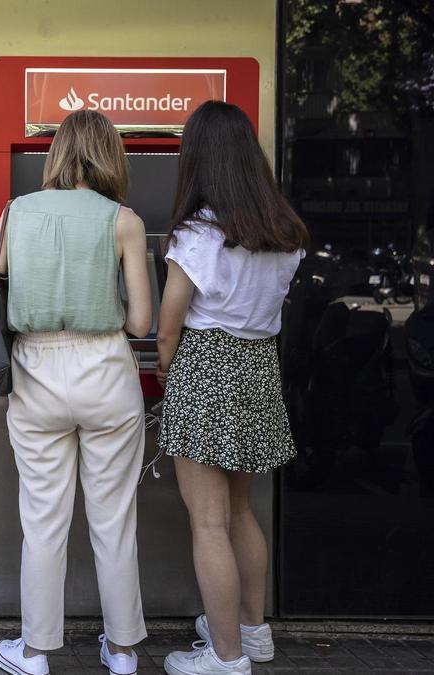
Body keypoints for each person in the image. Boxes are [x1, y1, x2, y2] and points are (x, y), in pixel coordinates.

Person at [0, 109, 152, 675]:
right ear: (110, 154)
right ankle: (124, 650)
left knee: (42, 522)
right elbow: (140, 323)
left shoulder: (17, 212)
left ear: (56, 153)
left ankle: (35, 652)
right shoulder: (124, 221)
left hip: (36, 371)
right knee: (113, 521)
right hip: (106, 371)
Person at [156, 100, 307, 675]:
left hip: (206, 365)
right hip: (257, 367)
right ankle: (253, 630)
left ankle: (225, 658)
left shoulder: (200, 232)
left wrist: (171, 371)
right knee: (241, 512)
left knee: (209, 521)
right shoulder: (283, 232)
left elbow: (169, 325)